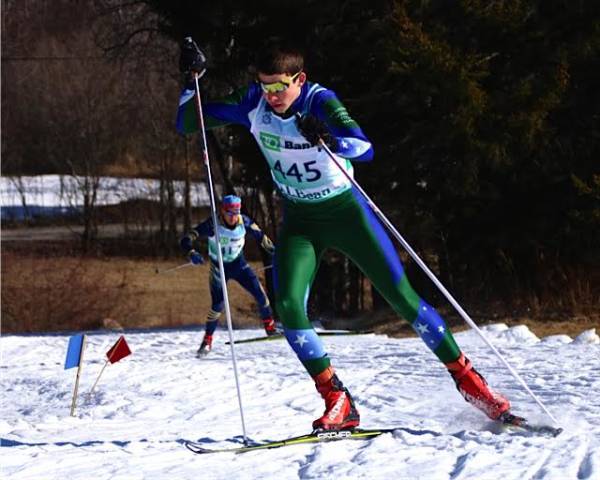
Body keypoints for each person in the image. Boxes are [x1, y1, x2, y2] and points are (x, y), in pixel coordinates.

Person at [177, 38, 512, 430]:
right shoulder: (253, 101)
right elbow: (188, 121)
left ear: (299, 79)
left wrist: (330, 138)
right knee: (287, 305)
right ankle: (337, 399)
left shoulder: (320, 101)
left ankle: (474, 386)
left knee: (403, 299)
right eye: (264, 86)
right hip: (301, 221)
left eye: (279, 87)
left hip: (346, 213)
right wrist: (190, 79)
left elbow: (364, 148)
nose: (271, 96)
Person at [180, 194, 277, 357]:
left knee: (261, 295)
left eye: (236, 213)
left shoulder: (244, 221)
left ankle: (270, 328)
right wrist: (191, 252)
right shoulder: (213, 224)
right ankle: (207, 341)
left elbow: (262, 238)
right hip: (219, 269)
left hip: (239, 265)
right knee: (217, 305)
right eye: (230, 213)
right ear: (223, 211)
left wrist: (275, 253)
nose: (233, 217)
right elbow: (186, 238)